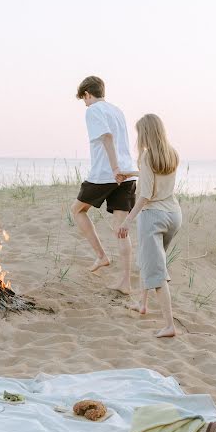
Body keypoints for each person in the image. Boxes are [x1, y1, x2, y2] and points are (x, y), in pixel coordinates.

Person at [116, 114, 182, 337]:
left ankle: (170, 325)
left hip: (153, 216)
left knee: (156, 271)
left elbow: (145, 195)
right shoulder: (171, 154)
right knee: (150, 259)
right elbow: (154, 177)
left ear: (145, 133)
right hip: (173, 215)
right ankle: (142, 304)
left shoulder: (146, 157)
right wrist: (132, 173)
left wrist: (127, 220)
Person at [71, 76, 137, 294]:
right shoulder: (117, 111)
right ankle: (125, 283)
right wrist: (121, 169)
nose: (85, 103)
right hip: (127, 174)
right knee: (121, 230)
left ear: (88, 94)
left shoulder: (93, 110)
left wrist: (115, 168)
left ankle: (101, 256)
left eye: (84, 99)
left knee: (77, 210)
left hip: (106, 173)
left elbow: (107, 137)